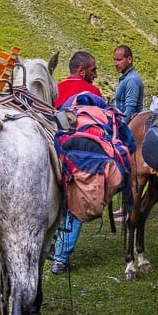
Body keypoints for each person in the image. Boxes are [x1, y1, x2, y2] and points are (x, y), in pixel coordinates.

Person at [49, 51, 103, 274]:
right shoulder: (94, 93)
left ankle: (50, 244)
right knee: (76, 205)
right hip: (82, 157)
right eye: (93, 70)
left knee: (55, 200)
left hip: (54, 153)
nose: (95, 75)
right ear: (81, 71)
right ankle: (61, 258)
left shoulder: (56, 90)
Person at [112, 44, 144, 122]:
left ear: (129, 59)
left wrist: (119, 127)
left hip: (127, 125)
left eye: (119, 60)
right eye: (114, 60)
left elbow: (130, 109)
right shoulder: (126, 78)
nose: (116, 63)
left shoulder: (131, 79)